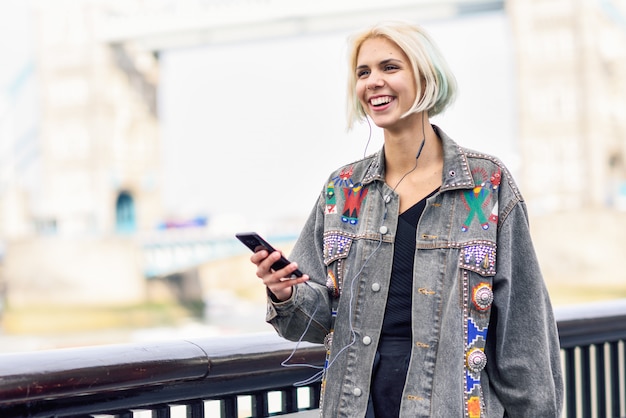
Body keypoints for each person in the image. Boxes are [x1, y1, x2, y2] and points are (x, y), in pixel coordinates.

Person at [250, 21, 563, 417]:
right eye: (363, 73)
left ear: (426, 77)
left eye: (389, 68)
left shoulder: (486, 185)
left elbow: (523, 333)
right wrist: (285, 292)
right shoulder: (343, 189)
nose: (373, 82)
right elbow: (310, 325)